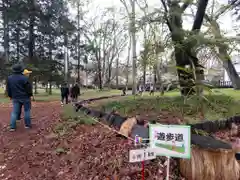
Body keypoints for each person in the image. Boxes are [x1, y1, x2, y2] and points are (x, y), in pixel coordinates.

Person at [7, 64, 33, 131]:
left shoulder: (9, 78)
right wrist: (30, 95)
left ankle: (12, 127)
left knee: (14, 112)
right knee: (27, 111)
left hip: (15, 97)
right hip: (25, 97)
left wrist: (10, 96)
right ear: (21, 70)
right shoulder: (24, 78)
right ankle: (27, 125)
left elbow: (8, 89)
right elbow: (28, 89)